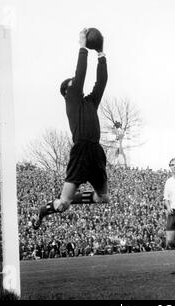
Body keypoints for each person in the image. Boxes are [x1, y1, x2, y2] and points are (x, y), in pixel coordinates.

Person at [32, 28, 109, 230]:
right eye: (73, 82)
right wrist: (82, 47)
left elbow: (101, 82)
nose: (76, 82)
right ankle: (44, 210)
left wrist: (101, 54)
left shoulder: (90, 102)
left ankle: (71, 197)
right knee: (63, 204)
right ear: (67, 90)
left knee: (103, 198)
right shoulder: (71, 99)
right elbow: (81, 74)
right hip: (81, 150)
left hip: (96, 150)